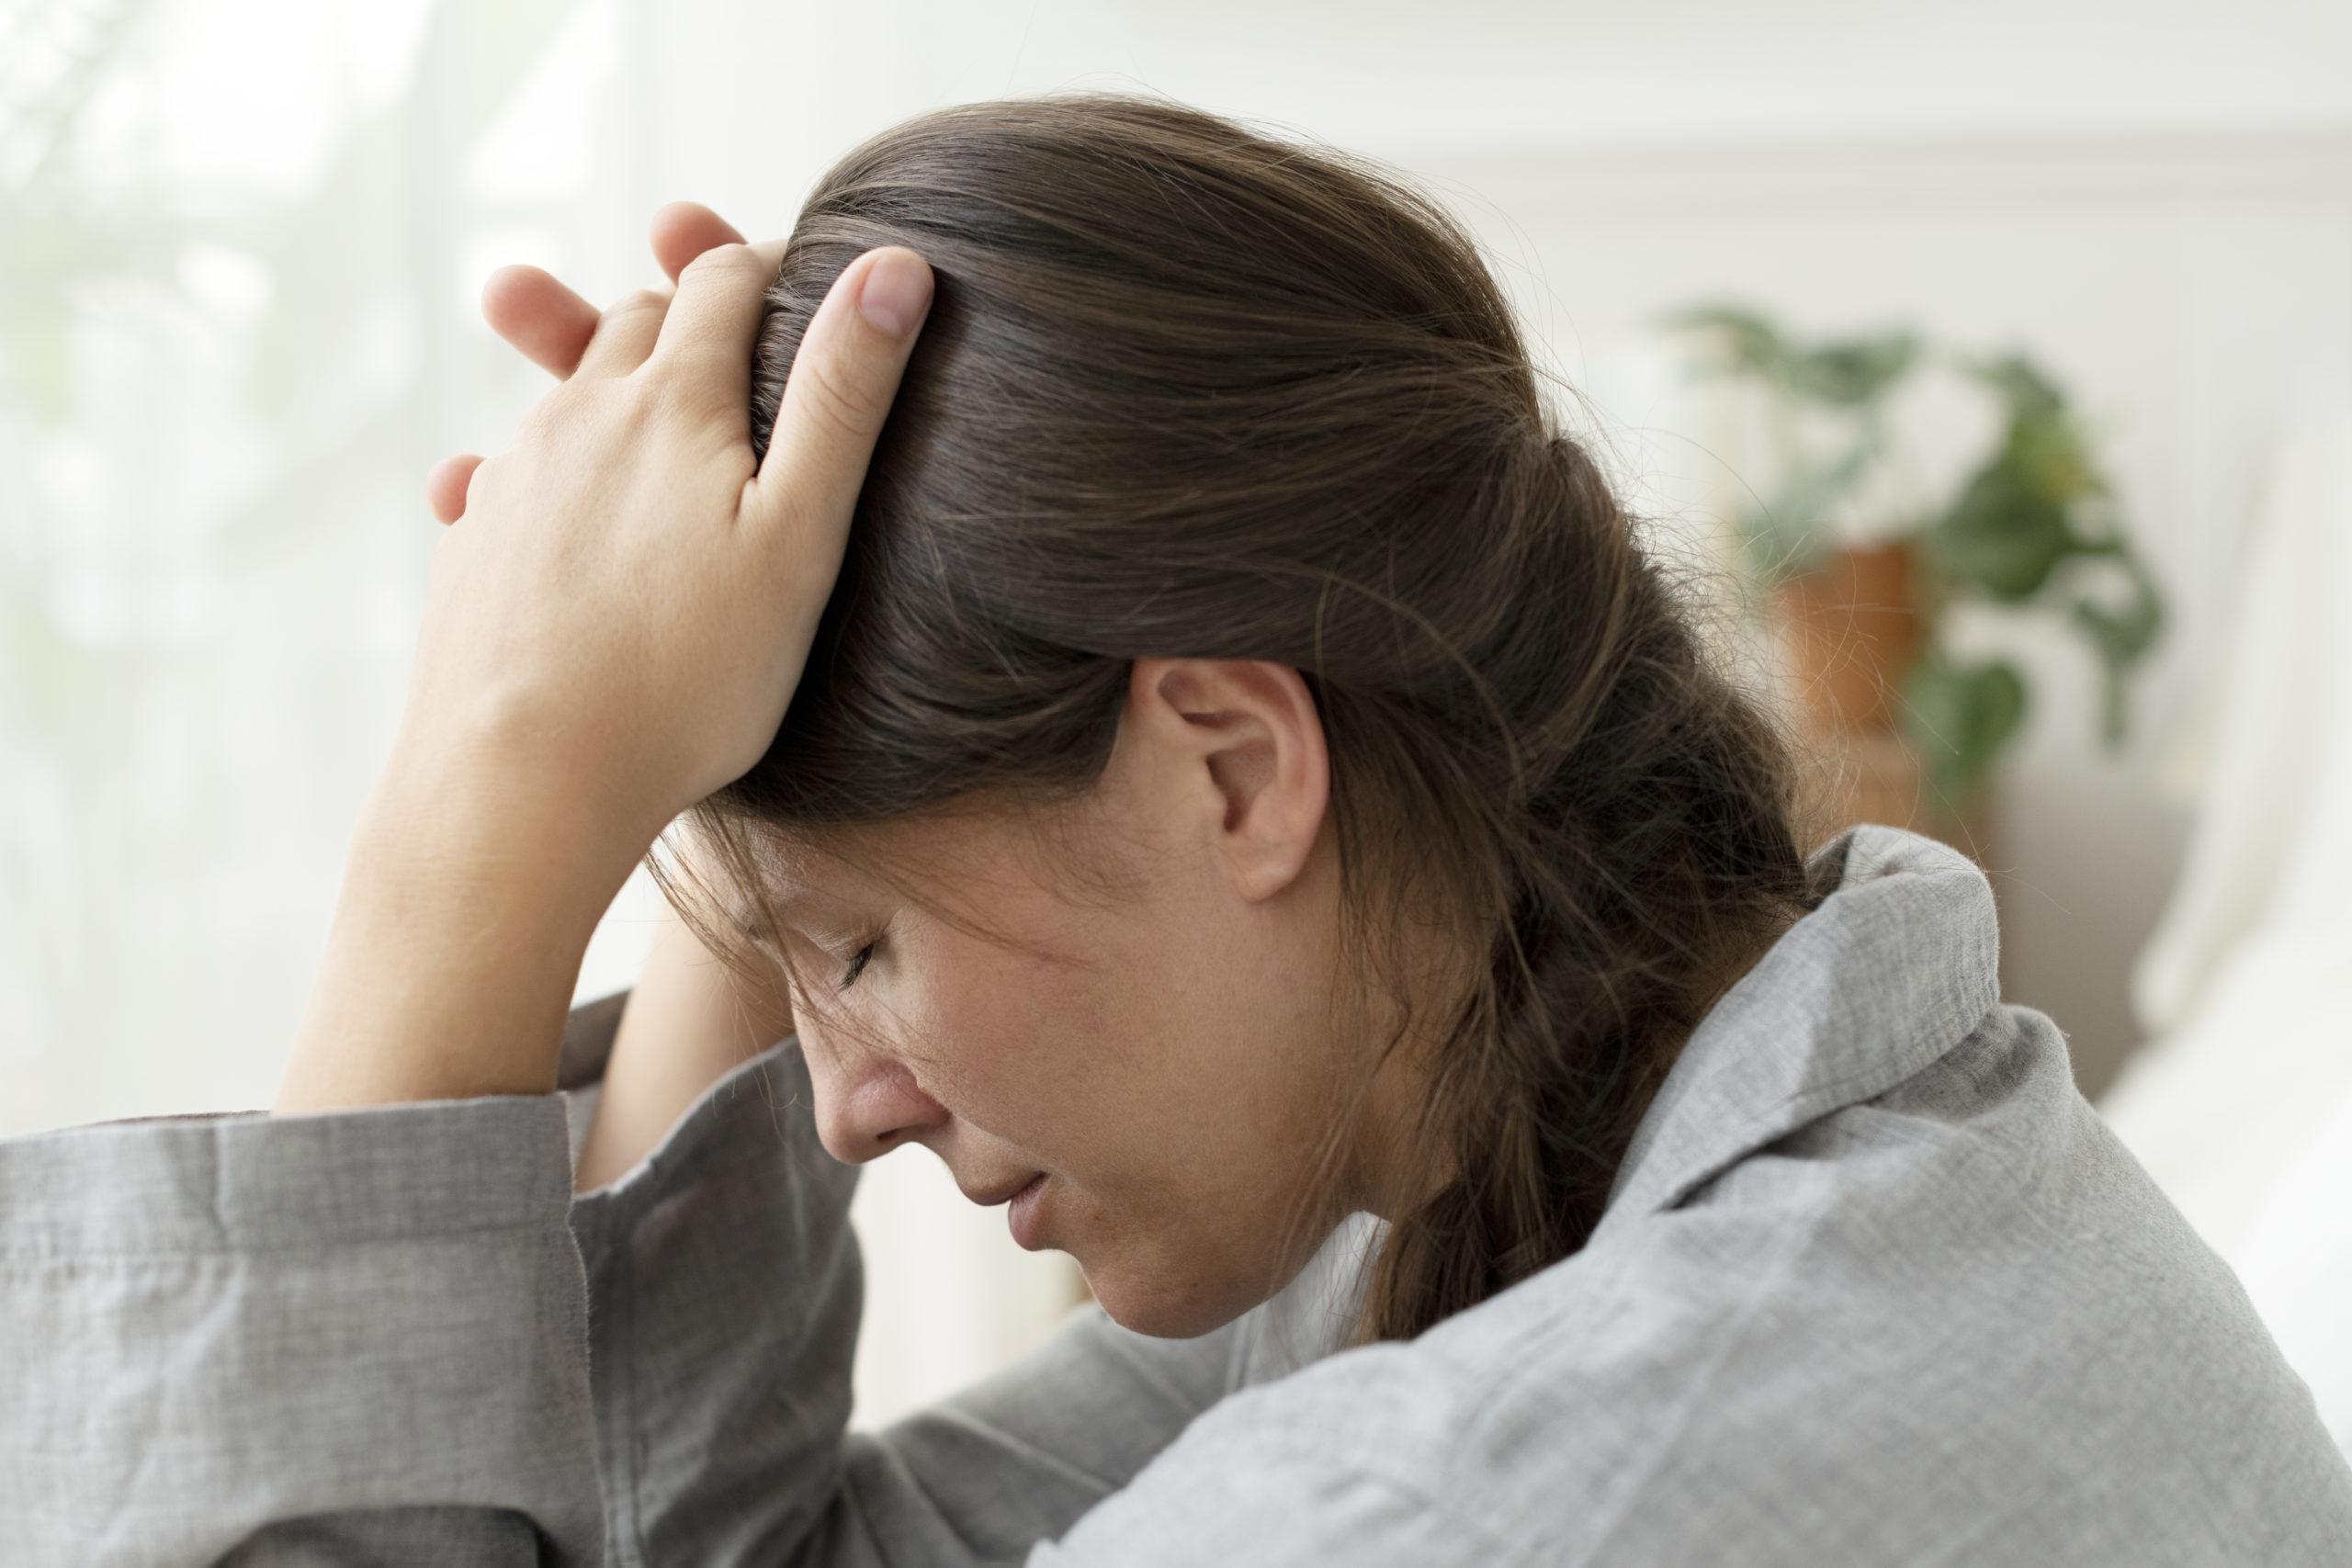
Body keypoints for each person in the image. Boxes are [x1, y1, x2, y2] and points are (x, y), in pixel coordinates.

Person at [4, 92, 2348, 1566]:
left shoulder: (1465, 1488)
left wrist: (480, 822)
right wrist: (712, 767)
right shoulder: (1611, 1187)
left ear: (1234, 761)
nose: (845, 1103)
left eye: (869, 952)